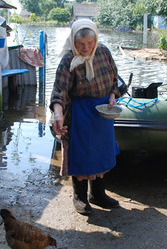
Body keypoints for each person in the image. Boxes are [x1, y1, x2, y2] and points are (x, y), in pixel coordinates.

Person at [50, 19, 120, 215]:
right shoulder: (68, 61)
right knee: (80, 154)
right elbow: (59, 91)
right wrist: (58, 113)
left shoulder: (104, 52)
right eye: (80, 44)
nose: (86, 48)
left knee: (100, 152)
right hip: (80, 113)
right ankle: (80, 197)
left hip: (102, 114)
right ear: (73, 40)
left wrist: (113, 96)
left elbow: (115, 79)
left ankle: (98, 194)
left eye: (90, 43)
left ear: (96, 39)